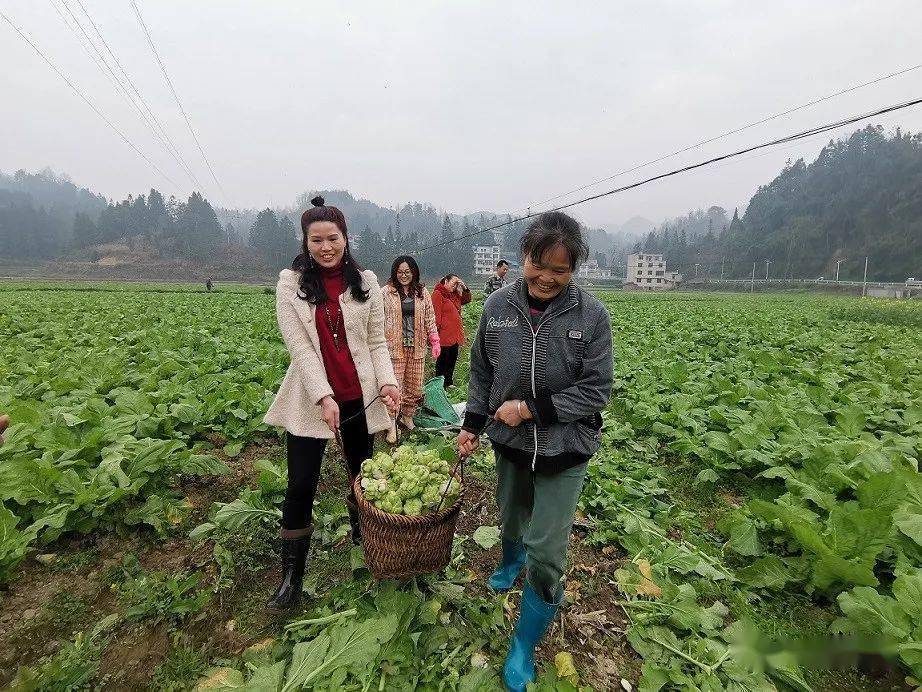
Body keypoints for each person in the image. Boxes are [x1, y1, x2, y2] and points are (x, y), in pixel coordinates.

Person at [457, 211, 613, 691]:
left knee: (547, 550)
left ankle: (523, 644)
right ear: (523, 257)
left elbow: (596, 390)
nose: (546, 278)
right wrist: (472, 426)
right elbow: (483, 373)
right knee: (510, 513)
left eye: (560, 270)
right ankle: (507, 559)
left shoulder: (591, 316)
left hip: (566, 448)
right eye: (537, 264)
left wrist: (529, 409)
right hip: (509, 444)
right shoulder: (498, 306)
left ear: (574, 271)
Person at [263, 196, 400, 612]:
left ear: (345, 238)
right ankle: (292, 577)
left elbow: (376, 342)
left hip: (360, 398)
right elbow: (301, 349)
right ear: (306, 242)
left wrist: (389, 382)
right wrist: (323, 395)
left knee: (362, 476)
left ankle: (367, 547)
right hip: (311, 398)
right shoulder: (292, 283)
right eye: (316, 240)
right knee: (300, 483)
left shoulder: (367, 282)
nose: (326, 247)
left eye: (333, 238)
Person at [381, 256, 440, 443]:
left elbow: (430, 317)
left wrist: (435, 339)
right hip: (394, 347)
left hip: (417, 346)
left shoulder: (422, 292)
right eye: (400, 272)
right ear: (394, 273)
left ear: (414, 273)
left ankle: (407, 416)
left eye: (407, 272)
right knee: (394, 386)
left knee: (414, 386)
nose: (404, 275)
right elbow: (378, 319)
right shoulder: (386, 292)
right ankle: (391, 422)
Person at [431, 274, 471, 388]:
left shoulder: (455, 295)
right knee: (442, 361)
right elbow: (436, 315)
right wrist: (435, 334)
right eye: (453, 284)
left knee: (452, 359)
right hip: (444, 335)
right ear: (446, 281)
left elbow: (467, 299)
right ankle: (439, 385)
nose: (454, 287)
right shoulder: (438, 294)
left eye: (456, 284)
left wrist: (464, 287)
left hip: (455, 335)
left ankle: (448, 382)